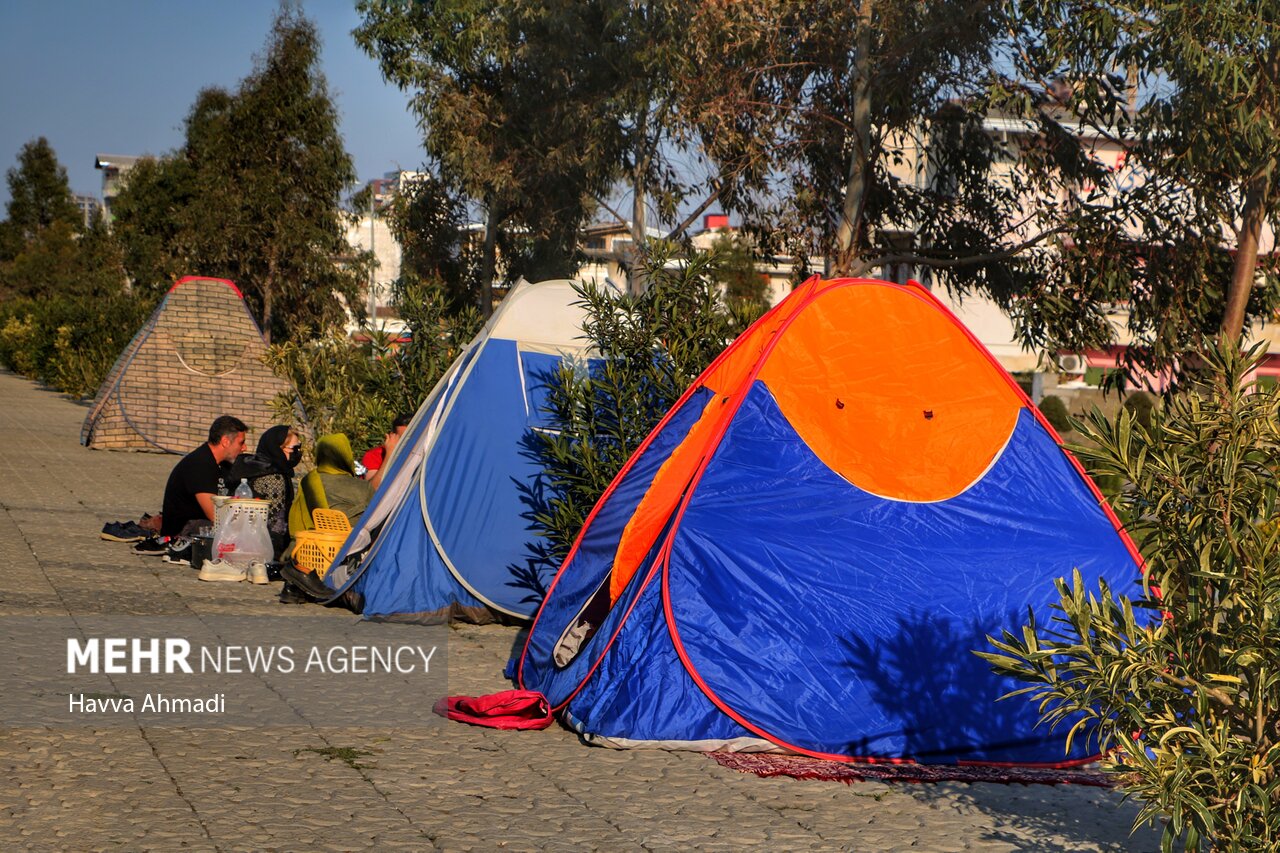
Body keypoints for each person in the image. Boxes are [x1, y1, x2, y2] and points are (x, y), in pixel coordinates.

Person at [281, 433, 374, 603]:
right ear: (345, 454)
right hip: (351, 545)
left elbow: (298, 517)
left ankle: (299, 572)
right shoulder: (363, 486)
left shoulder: (310, 480)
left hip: (315, 546)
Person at [134, 415, 247, 556]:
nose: (244, 448)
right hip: (183, 533)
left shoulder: (219, 464)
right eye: (241, 443)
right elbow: (215, 515)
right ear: (225, 441)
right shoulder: (200, 465)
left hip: (197, 526)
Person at [228, 425, 302, 559]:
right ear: (276, 449)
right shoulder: (275, 477)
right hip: (261, 549)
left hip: (242, 543)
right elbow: (276, 524)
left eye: (299, 448)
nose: (297, 453)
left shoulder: (255, 467)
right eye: (293, 448)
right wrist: (277, 558)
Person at [360, 413, 410, 482]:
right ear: (392, 436)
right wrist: (389, 454)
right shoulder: (374, 456)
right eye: (403, 438)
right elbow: (373, 488)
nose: (408, 442)